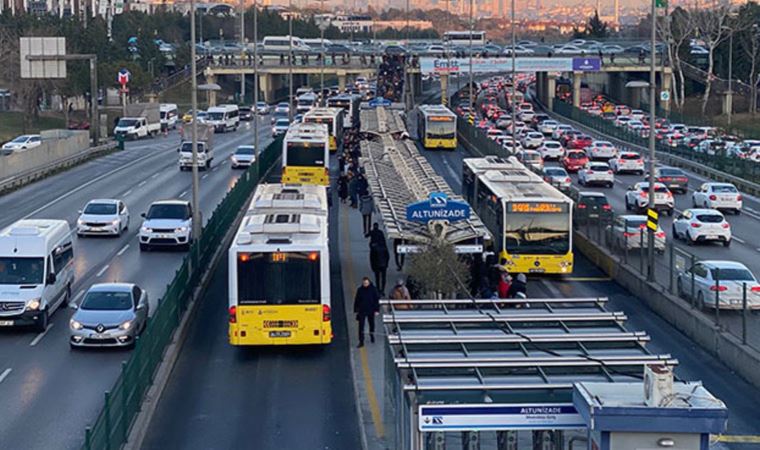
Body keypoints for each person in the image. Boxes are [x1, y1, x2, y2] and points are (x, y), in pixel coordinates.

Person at [354, 277, 380, 347]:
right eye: (364, 283)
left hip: (371, 310)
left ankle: (372, 335)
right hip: (362, 310)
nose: (365, 284)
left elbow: (376, 300)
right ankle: (361, 341)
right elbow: (357, 300)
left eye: (366, 283)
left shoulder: (373, 289)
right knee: (361, 326)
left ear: (369, 282)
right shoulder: (360, 290)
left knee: (371, 324)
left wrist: (377, 310)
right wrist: (356, 310)